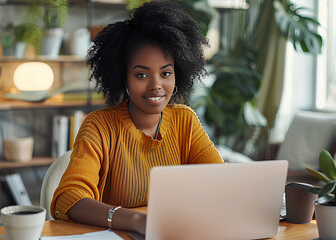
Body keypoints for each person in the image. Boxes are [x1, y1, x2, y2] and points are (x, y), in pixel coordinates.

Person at [51, 0, 223, 235]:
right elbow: (68, 200)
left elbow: (221, 184)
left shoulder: (185, 121)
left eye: (165, 73)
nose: (156, 86)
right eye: (141, 74)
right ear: (123, 78)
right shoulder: (99, 126)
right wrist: (136, 220)